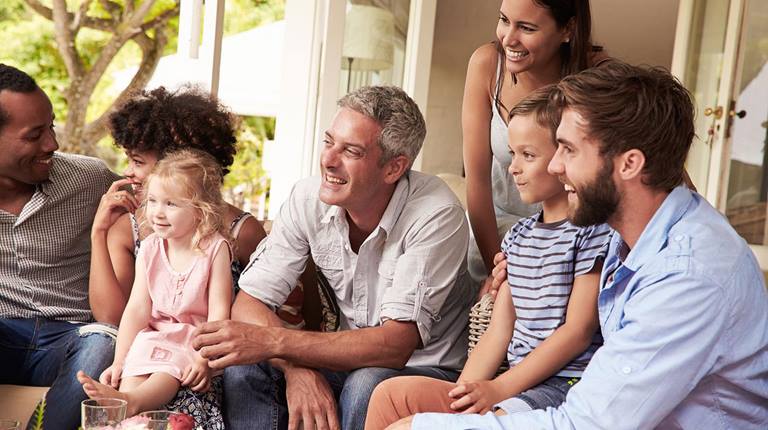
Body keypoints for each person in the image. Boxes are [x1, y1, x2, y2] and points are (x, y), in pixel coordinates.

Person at [393, 61, 768, 429]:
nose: (555, 167)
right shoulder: (638, 240)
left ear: (629, 164)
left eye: (569, 150)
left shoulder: (687, 275)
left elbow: (588, 423)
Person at [191, 85, 475, 430]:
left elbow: (394, 346)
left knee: (367, 385)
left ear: (394, 167)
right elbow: (249, 304)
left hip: (425, 369)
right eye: (329, 142)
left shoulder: (436, 214)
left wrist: (273, 341)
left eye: (351, 151)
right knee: (246, 366)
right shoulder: (308, 198)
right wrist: (296, 367)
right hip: (346, 360)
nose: (328, 159)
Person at [366, 86, 612, 429]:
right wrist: (463, 393)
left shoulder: (592, 233)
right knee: (389, 395)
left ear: (563, 156)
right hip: (513, 385)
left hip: (562, 388)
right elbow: (499, 330)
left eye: (528, 154)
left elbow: (577, 331)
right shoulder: (518, 238)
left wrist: (498, 388)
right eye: (512, 154)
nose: (513, 168)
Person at [88, 86, 275, 425]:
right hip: (150, 343)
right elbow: (116, 315)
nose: (127, 172)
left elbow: (256, 309)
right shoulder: (137, 231)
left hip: (197, 354)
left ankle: (132, 403)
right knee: (130, 363)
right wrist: (98, 234)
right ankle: (129, 410)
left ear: (178, 163)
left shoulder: (233, 237)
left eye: (138, 161)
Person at [0, 64, 119, 429]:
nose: (52, 143)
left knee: (104, 341)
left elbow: (169, 201)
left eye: (51, 126)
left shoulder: (90, 178)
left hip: (73, 336)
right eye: (35, 135)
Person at [77, 149, 233, 421]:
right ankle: (127, 415)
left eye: (171, 204)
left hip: (194, 338)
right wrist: (119, 361)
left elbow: (220, 313)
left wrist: (203, 359)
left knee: (167, 368)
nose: (158, 212)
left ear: (200, 209)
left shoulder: (215, 249)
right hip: (155, 335)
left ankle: (132, 402)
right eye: (152, 201)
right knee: (137, 361)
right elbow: (137, 309)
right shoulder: (150, 248)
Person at [465, 0, 604, 288]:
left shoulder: (597, 75)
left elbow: (649, 156)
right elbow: (476, 180)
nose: (509, 39)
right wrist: (497, 269)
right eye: (504, 20)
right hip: (496, 232)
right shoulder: (487, 64)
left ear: (568, 29)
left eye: (526, 28)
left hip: (569, 235)